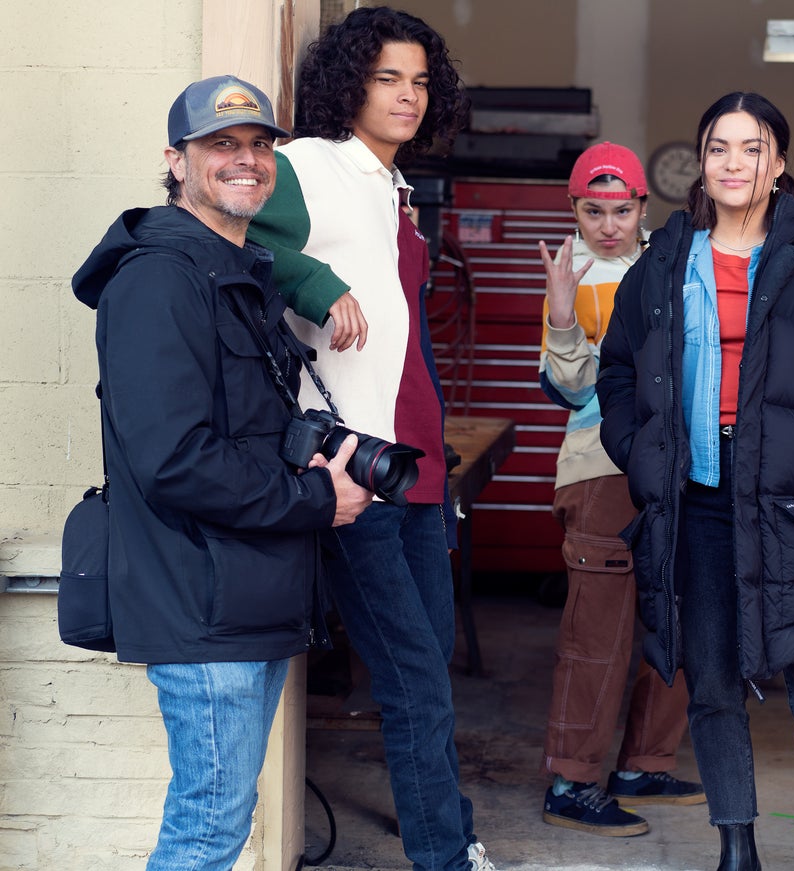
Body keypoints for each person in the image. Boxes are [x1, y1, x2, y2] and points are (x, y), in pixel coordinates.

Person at [598, 91, 794, 871]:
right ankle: (736, 841)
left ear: (778, 164)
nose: (733, 164)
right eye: (718, 148)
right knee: (710, 680)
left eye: (751, 149)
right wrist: (642, 453)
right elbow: (614, 370)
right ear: (701, 164)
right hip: (695, 501)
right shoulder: (664, 263)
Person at [71, 75, 372, 869]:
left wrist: (314, 455)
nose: (247, 160)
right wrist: (315, 495)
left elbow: (234, 432)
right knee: (207, 831)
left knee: (218, 823)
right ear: (176, 161)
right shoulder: (157, 280)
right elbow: (173, 459)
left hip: (244, 594)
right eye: (222, 145)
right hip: (204, 605)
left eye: (259, 145)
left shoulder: (235, 273)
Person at [245, 9, 496, 871]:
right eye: (388, 77)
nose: (408, 95)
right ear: (350, 81)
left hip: (416, 469)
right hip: (354, 471)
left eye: (420, 80)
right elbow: (225, 238)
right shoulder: (303, 165)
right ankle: (446, 854)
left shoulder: (391, 186)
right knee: (413, 681)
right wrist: (312, 278)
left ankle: (452, 833)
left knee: (430, 678)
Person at [537, 142, 703, 836]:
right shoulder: (569, 273)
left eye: (621, 209)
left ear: (644, 207)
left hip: (679, 467)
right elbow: (570, 388)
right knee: (598, 635)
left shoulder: (673, 266)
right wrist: (561, 313)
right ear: (575, 209)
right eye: (592, 209)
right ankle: (572, 780)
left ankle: (645, 763)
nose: (608, 224)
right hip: (602, 466)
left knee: (683, 622)